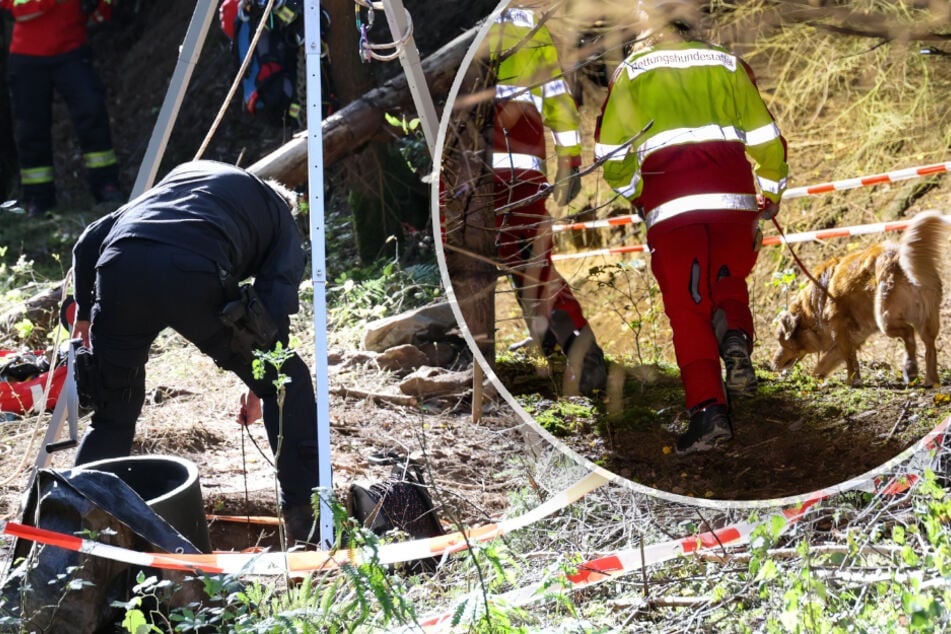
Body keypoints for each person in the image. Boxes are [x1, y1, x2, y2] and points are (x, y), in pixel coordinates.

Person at [71, 160, 318, 544]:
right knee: (289, 382)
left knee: (112, 415)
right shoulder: (279, 215)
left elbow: (89, 239)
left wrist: (84, 314)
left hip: (120, 268)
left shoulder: (184, 180)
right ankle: (305, 519)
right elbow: (276, 300)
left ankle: (72, 527)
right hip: (191, 269)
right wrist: (263, 383)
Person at [595, 0, 788, 454]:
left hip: (672, 204)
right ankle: (736, 342)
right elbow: (765, 139)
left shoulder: (633, 72)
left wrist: (637, 194)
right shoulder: (727, 63)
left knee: (689, 304)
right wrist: (771, 193)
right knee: (727, 278)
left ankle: (707, 413)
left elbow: (611, 154)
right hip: (734, 200)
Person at [489, 5, 607, 397]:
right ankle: (560, 347)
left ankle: (575, 351)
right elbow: (556, 95)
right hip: (523, 167)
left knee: (520, 259)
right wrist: (568, 160)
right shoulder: (527, 22)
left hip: (480, 174)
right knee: (528, 260)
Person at [1, 0, 125, 217]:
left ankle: (106, 185)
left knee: (92, 112)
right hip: (28, 55)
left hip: (73, 49)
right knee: (31, 128)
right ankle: (38, 199)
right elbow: (15, 8)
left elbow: (100, 14)